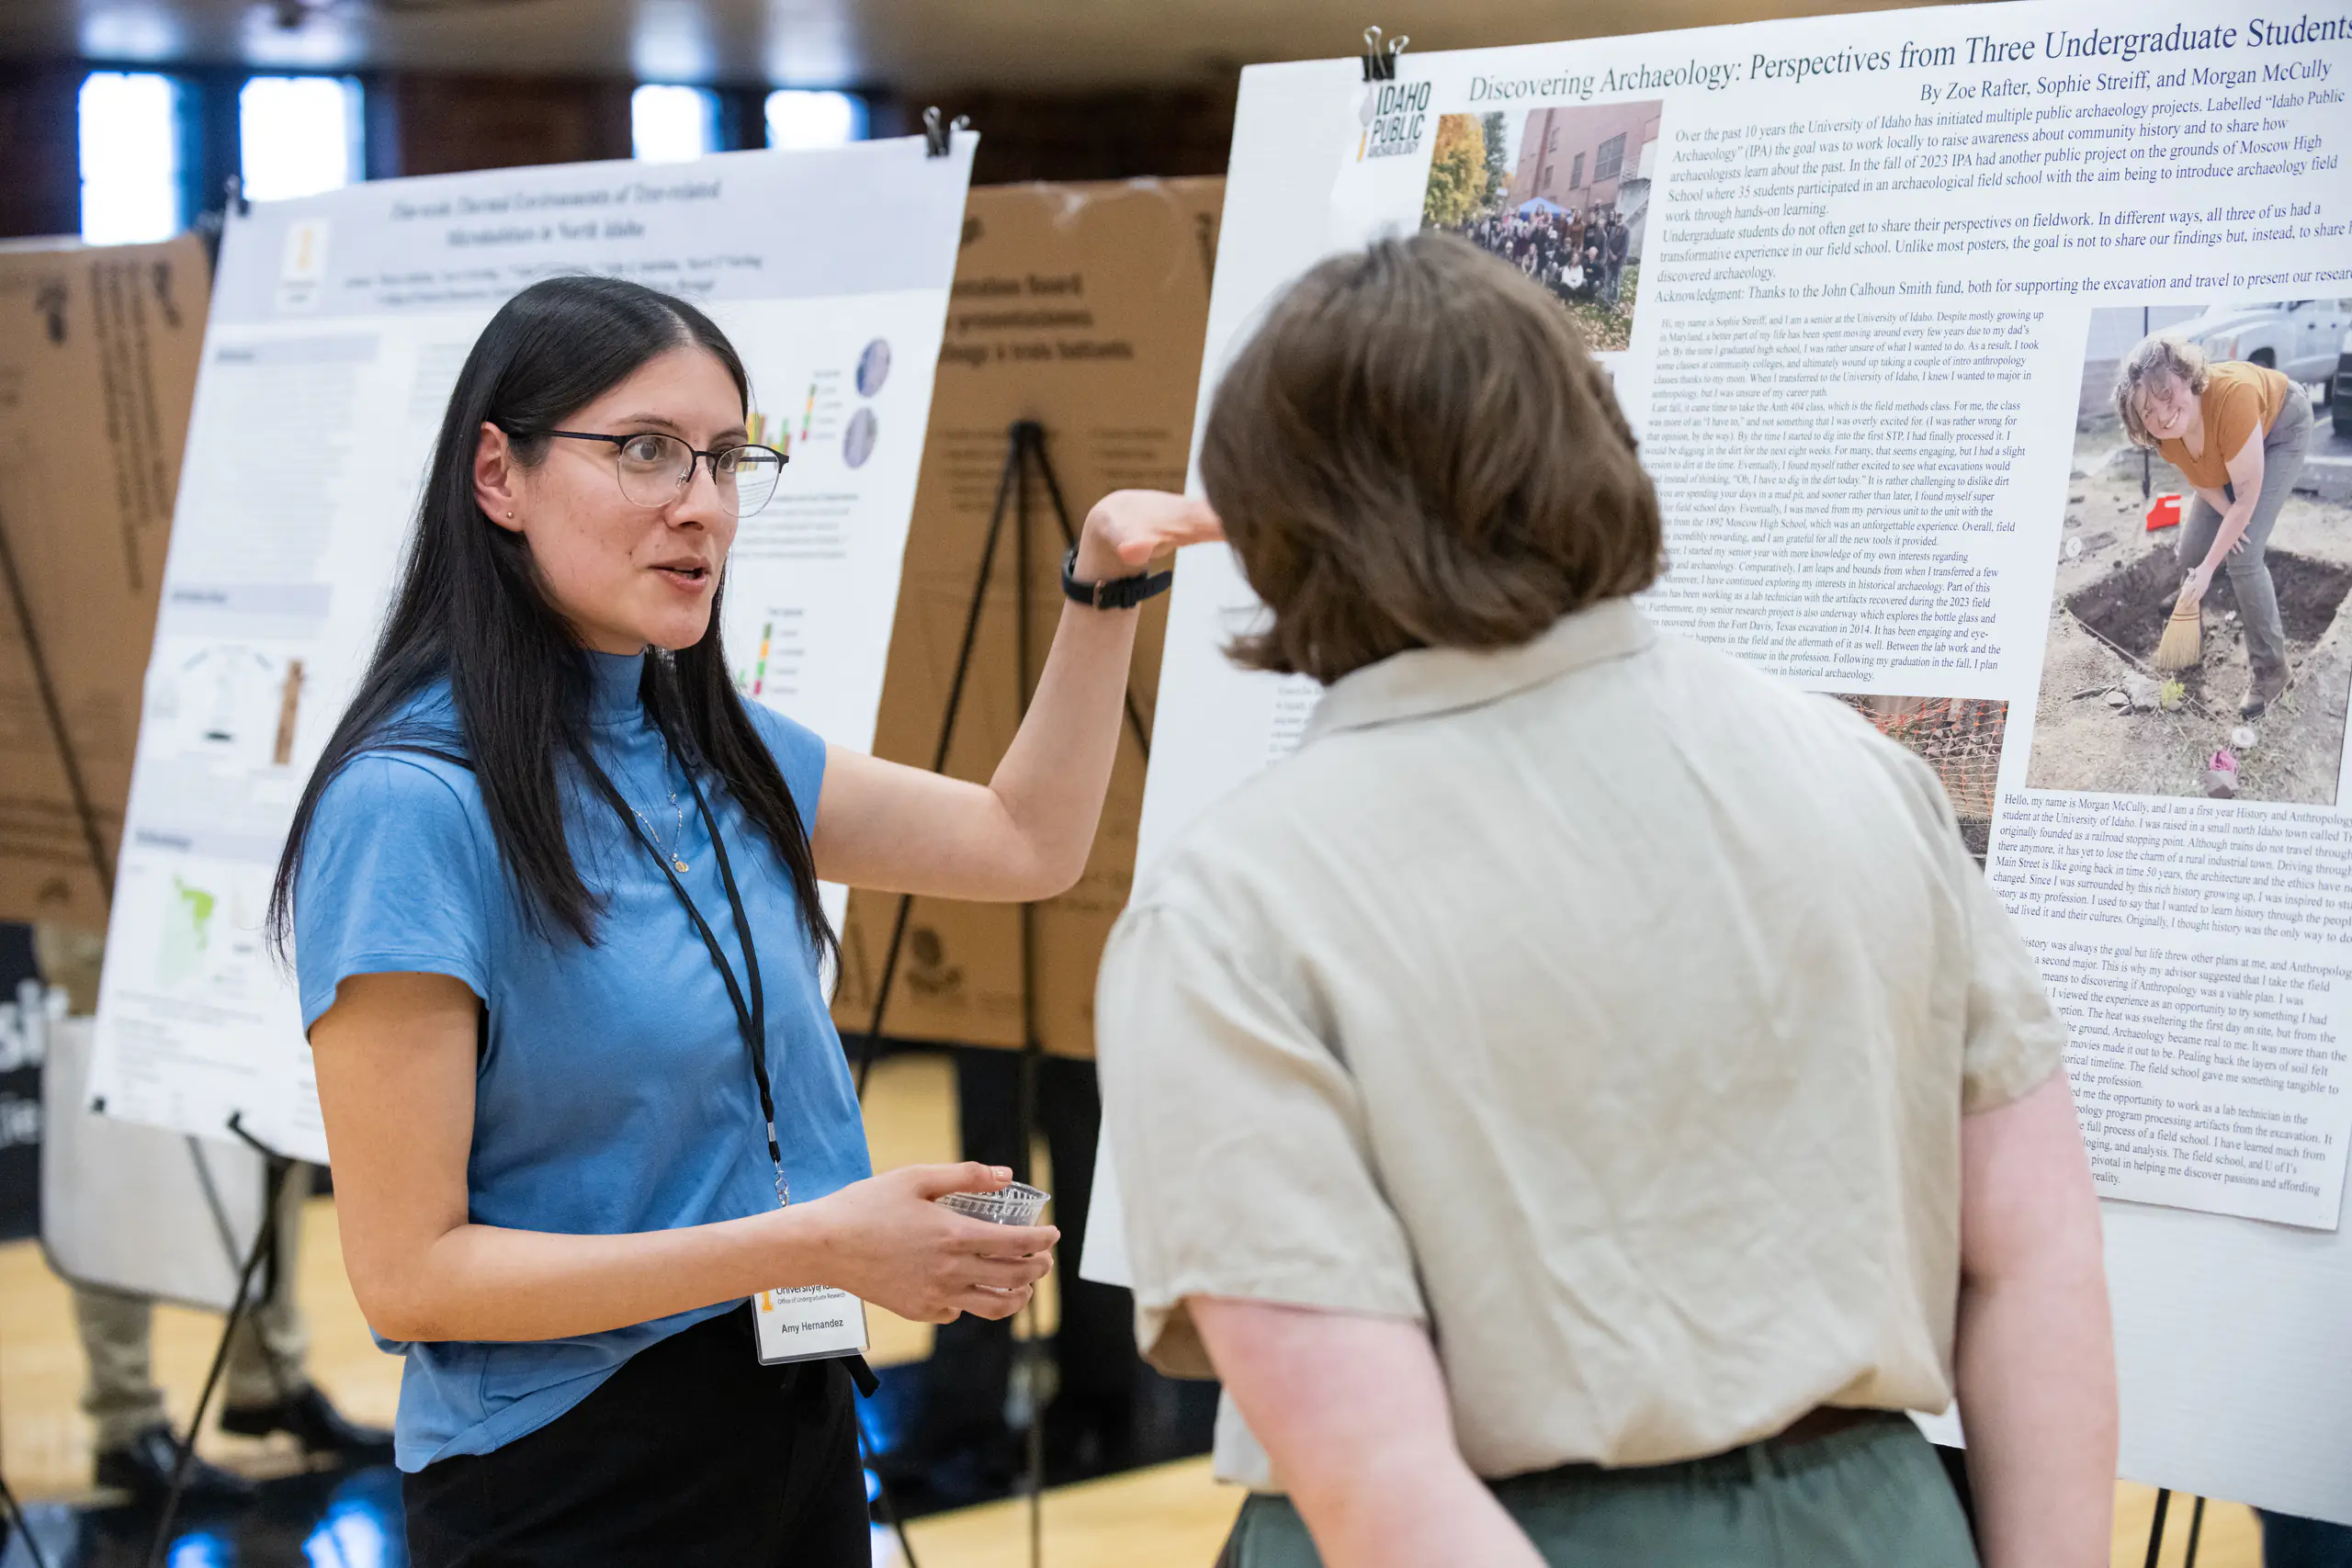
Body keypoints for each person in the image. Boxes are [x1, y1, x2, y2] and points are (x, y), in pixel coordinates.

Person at [1093, 233, 2117, 1568]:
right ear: (1590, 441)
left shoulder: (1228, 907)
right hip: (1876, 1516)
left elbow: (1387, 1489)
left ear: (1274, 527)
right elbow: (2034, 1257)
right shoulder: (1864, 774)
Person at [273, 275, 1216, 1565]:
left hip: (789, 1419)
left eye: (723, 458)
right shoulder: (411, 806)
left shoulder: (713, 743)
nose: (700, 503)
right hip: (564, 1486)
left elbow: (1024, 840)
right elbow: (410, 1273)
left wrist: (1101, 586)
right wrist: (825, 1235)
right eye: (646, 451)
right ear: (498, 472)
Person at [28, 923, 391, 1503]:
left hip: (239, 879)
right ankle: (125, 1423)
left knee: (271, 1118)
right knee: (122, 1150)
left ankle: (268, 1381)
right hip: (107, 899)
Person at [2116, 332, 2313, 718]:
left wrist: (2211, 567)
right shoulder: (2166, 436)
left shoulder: (2233, 398)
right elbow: (2204, 480)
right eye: (2148, 412)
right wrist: (2203, 560)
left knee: (2244, 553)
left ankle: (2272, 672)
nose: (2163, 413)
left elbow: (2245, 497)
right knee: (2191, 550)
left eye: (2166, 394)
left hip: (2280, 427)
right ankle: (2190, 617)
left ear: (2186, 376)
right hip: (2229, 450)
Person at [1602, 212, 1631, 308]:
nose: (1618, 220)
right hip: (1610, 260)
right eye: (1617, 218)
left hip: (1619, 261)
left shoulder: (1626, 231)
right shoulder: (1613, 229)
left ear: (1623, 219)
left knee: (1617, 283)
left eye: (1620, 218)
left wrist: (1617, 256)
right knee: (1607, 281)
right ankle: (1605, 300)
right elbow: (1608, 243)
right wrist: (1610, 254)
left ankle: (1614, 301)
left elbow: (1625, 247)